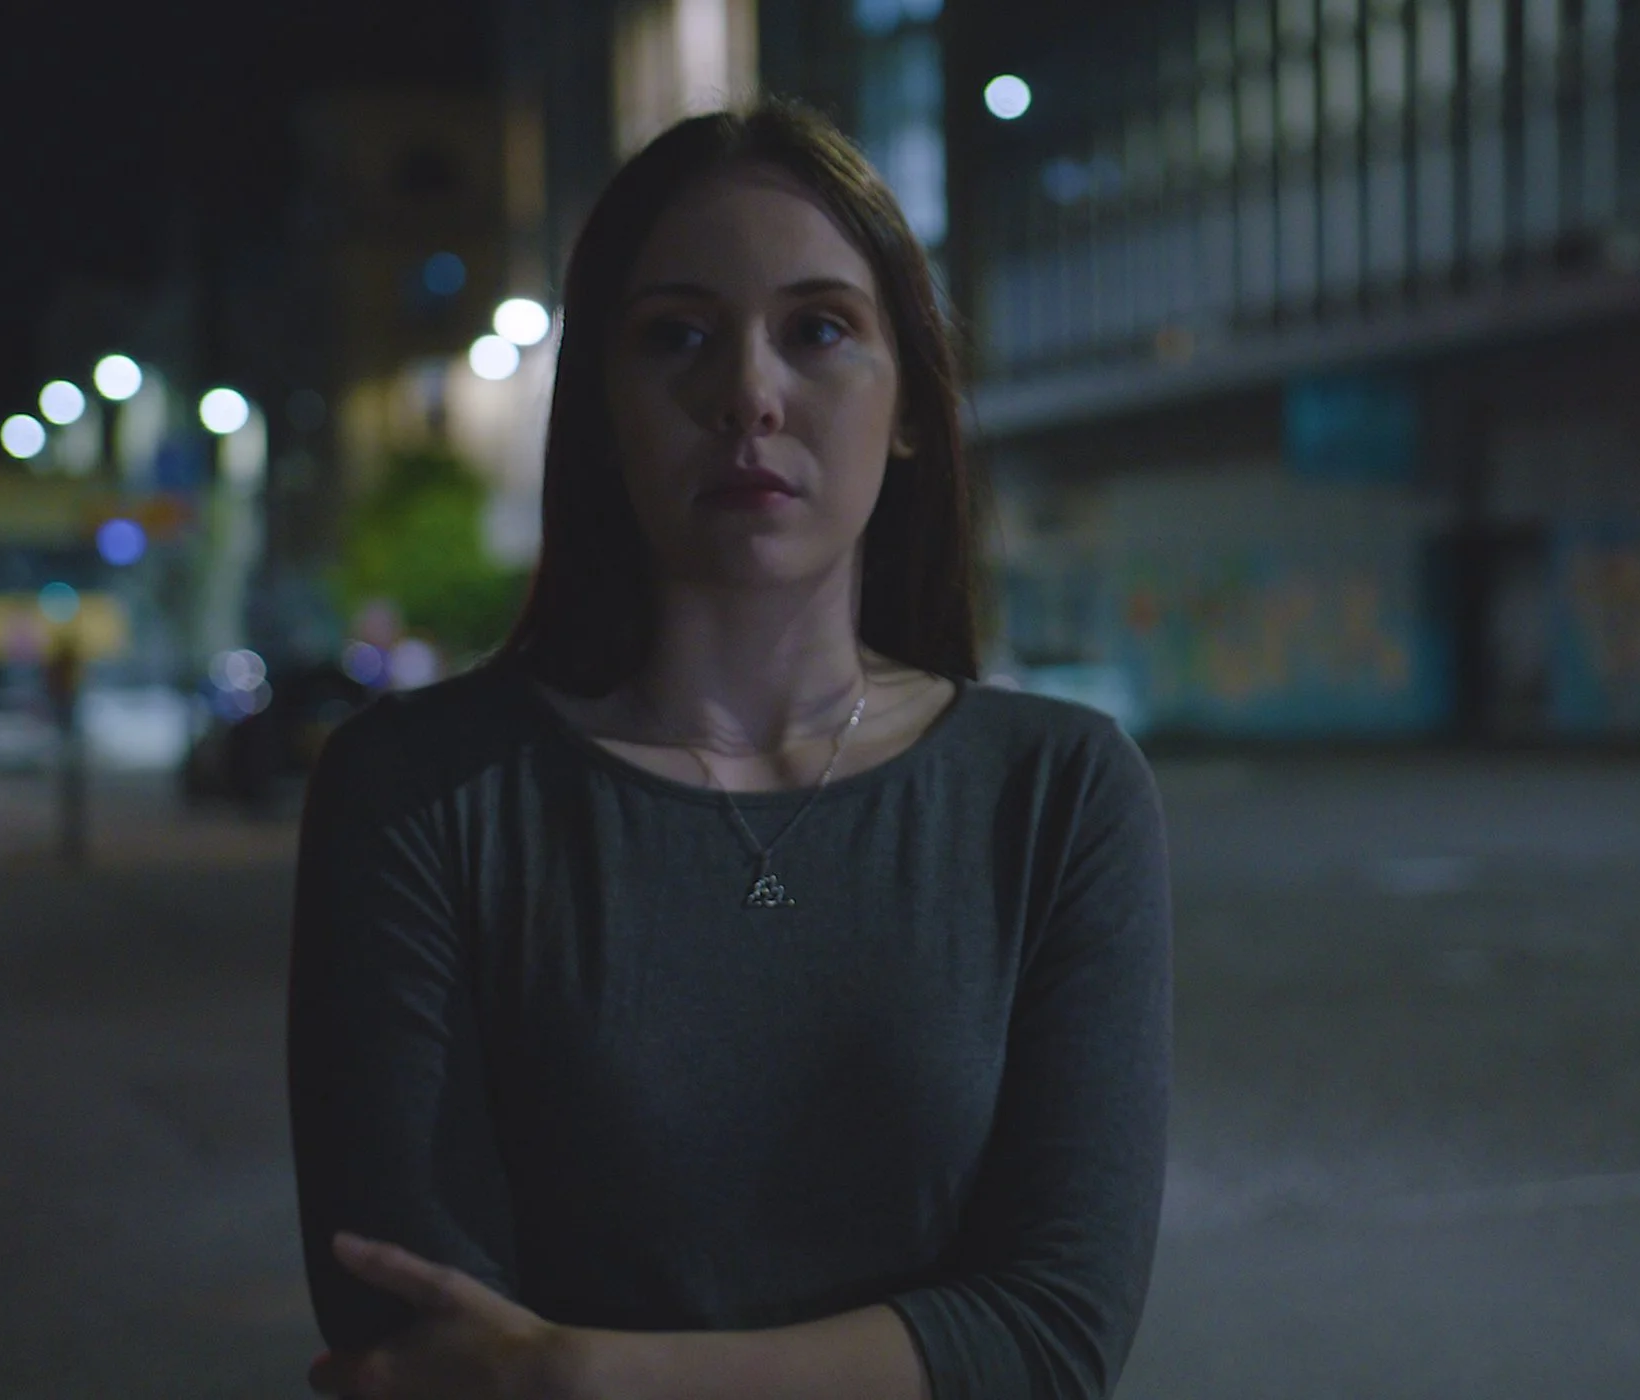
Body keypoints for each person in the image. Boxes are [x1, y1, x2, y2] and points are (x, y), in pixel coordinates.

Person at [288, 101, 1172, 1400]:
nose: (748, 395)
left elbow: (1050, 1337)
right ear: (598, 407)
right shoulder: (421, 795)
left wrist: (591, 1377)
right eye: (677, 338)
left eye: (818, 330)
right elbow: (415, 1339)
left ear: (915, 402)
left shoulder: (1056, 796)